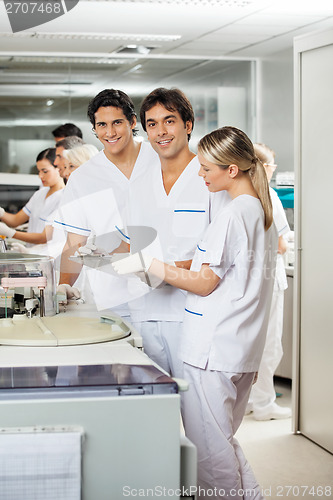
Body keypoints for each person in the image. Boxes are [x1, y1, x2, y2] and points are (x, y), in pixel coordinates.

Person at [113, 126, 278, 500]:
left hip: (213, 349)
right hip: (239, 347)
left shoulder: (234, 214)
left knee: (210, 451)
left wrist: (148, 263)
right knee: (222, 441)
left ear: (231, 170)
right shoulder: (259, 212)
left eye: (206, 169)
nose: (200, 175)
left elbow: (205, 282)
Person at [124, 87, 230, 378]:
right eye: (152, 124)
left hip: (194, 314)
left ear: (188, 125)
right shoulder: (139, 184)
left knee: (198, 417)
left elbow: (225, 252)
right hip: (145, 312)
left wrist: (167, 269)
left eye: (169, 120)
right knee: (155, 411)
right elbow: (135, 245)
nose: (161, 131)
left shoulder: (211, 179)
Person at [54, 88, 160, 310]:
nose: (110, 132)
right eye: (102, 125)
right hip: (114, 297)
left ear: (132, 122)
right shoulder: (83, 178)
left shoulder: (160, 159)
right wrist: (64, 284)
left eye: (117, 123)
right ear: (94, 129)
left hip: (167, 290)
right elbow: (75, 243)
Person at [246, 143, 292, 420]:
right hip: (269, 280)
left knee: (252, 343)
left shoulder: (239, 193)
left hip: (249, 281)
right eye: (272, 165)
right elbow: (281, 246)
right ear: (263, 166)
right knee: (270, 344)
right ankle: (264, 403)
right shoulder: (268, 194)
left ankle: (252, 400)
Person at [0, 148, 64, 252]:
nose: (40, 176)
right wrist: (1, 213)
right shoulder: (40, 194)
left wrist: (11, 233)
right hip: (32, 254)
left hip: (48, 256)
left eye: (45, 171)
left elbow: (45, 237)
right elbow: (15, 220)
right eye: (39, 171)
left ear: (58, 168)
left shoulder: (64, 198)